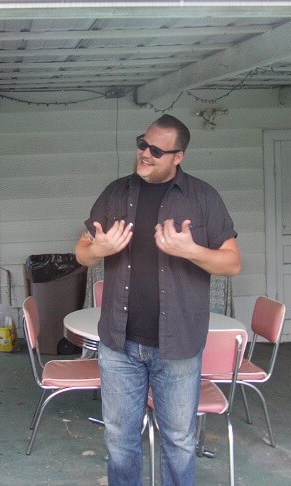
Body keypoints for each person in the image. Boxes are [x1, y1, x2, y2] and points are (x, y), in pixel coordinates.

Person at [75, 114, 241, 485]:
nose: (144, 154)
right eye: (141, 144)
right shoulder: (116, 192)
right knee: (119, 438)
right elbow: (82, 253)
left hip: (178, 344)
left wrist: (192, 250)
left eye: (155, 150)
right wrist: (96, 249)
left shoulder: (203, 198)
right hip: (119, 343)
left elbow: (232, 264)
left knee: (179, 439)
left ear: (177, 156)